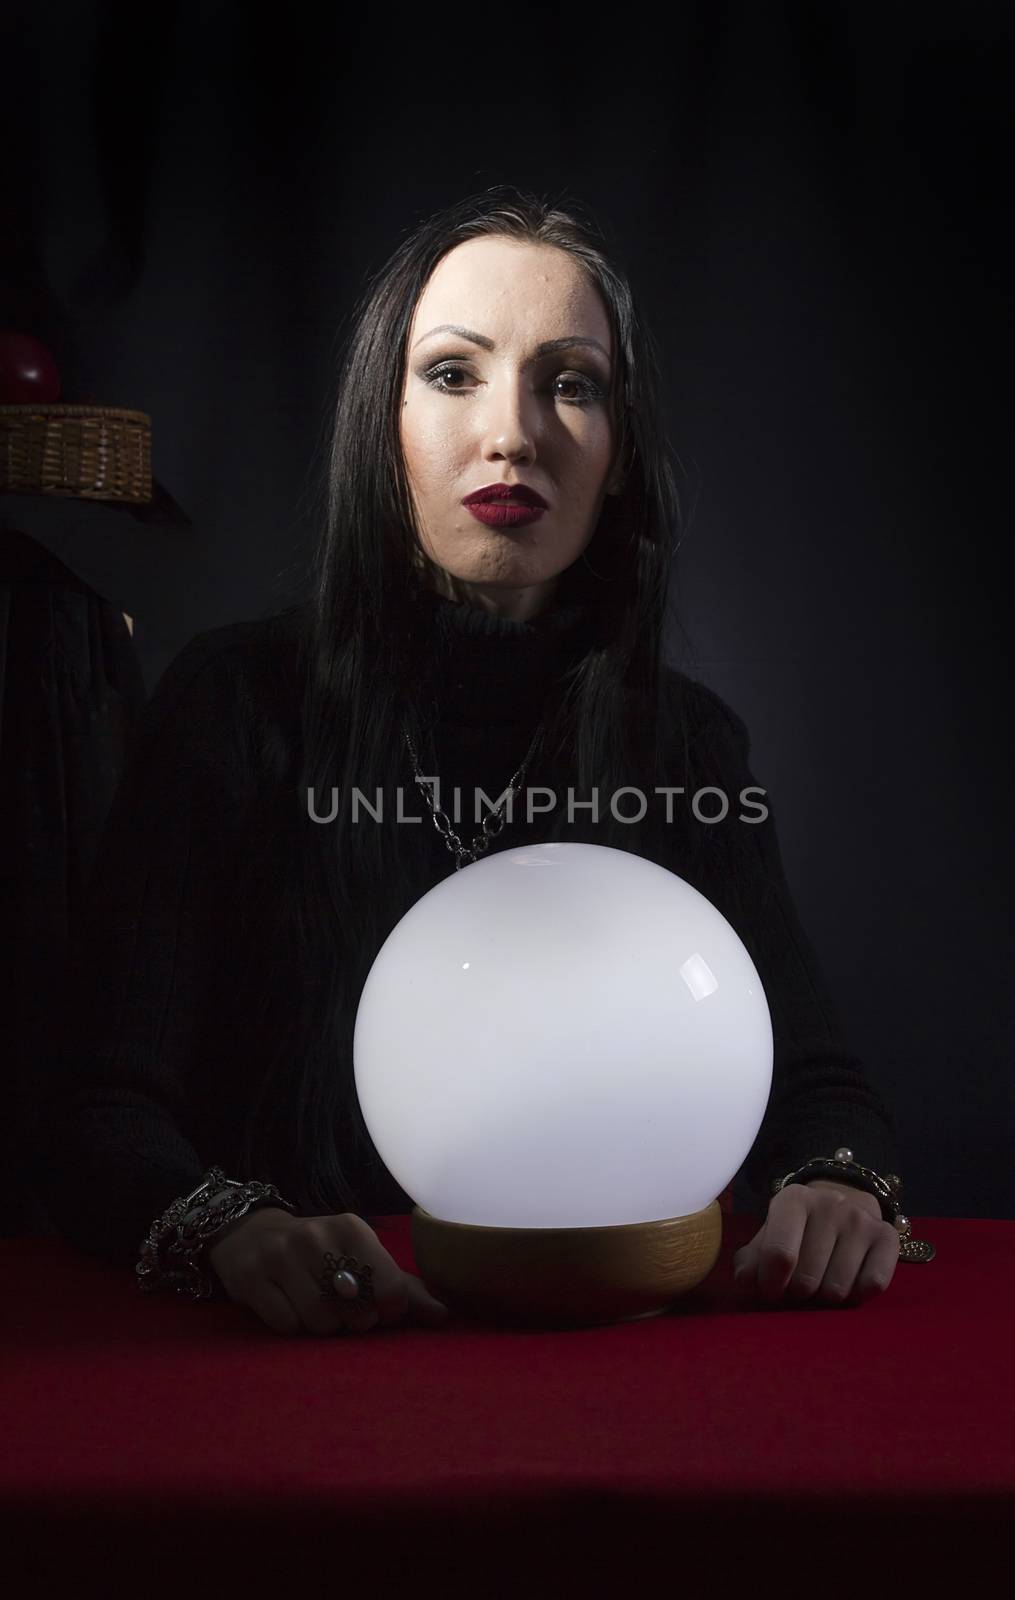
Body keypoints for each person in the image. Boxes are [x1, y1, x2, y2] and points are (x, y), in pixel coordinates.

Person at [32, 186, 909, 1337]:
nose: (512, 433)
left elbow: (816, 1090)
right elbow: (100, 1105)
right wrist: (231, 1228)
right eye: (454, 373)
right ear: (379, 422)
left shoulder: (683, 743)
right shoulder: (233, 702)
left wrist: (838, 1180)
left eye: (570, 382)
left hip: (617, 1360)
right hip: (302, 1374)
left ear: (619, 450)